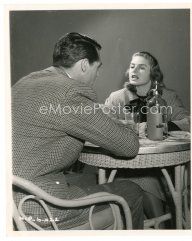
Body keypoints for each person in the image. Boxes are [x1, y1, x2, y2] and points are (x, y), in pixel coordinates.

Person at [12, 32, 144, 230]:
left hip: (9, 203)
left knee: (87, 178)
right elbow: (129, 146)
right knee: (132, 190)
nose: (98, 74)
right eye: (97, 67)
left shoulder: (23, 84)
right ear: (84, 65)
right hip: (39, 207)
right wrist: (129, 127)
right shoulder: (69, 92)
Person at [104, 51, 190, 222]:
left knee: (149, 179)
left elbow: (189, 122)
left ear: (153, 72)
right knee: (139, 179)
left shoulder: (167, 97)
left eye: (142, 67)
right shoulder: (117, 98)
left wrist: (161, 125)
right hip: (127, 163)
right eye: (132, 66)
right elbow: (104, 124)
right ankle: (160, 229)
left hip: (164, 165)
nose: (134, 71)